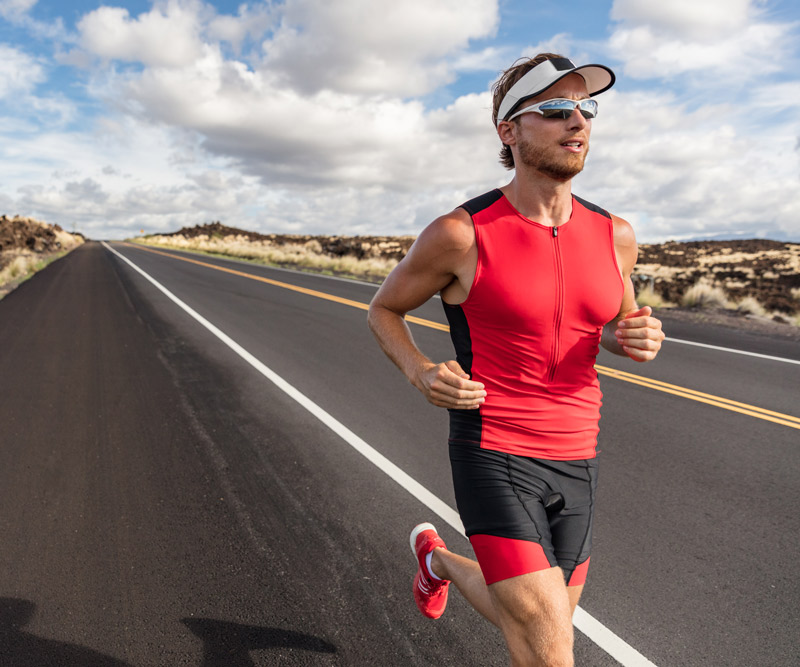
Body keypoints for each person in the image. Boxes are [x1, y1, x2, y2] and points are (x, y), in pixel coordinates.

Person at [367, 53, 665, 666]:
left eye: (585, 109)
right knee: (550, 646)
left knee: (534, 620)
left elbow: (614, 323)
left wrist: (632, 338)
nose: (576, 122)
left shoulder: (617, 235)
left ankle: (440, 561)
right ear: (509, 131)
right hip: (495, 448)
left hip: (579, 452)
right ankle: (445, 559)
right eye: (554, 110)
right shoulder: (462, 233)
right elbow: (383, 309)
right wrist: (421, 370)